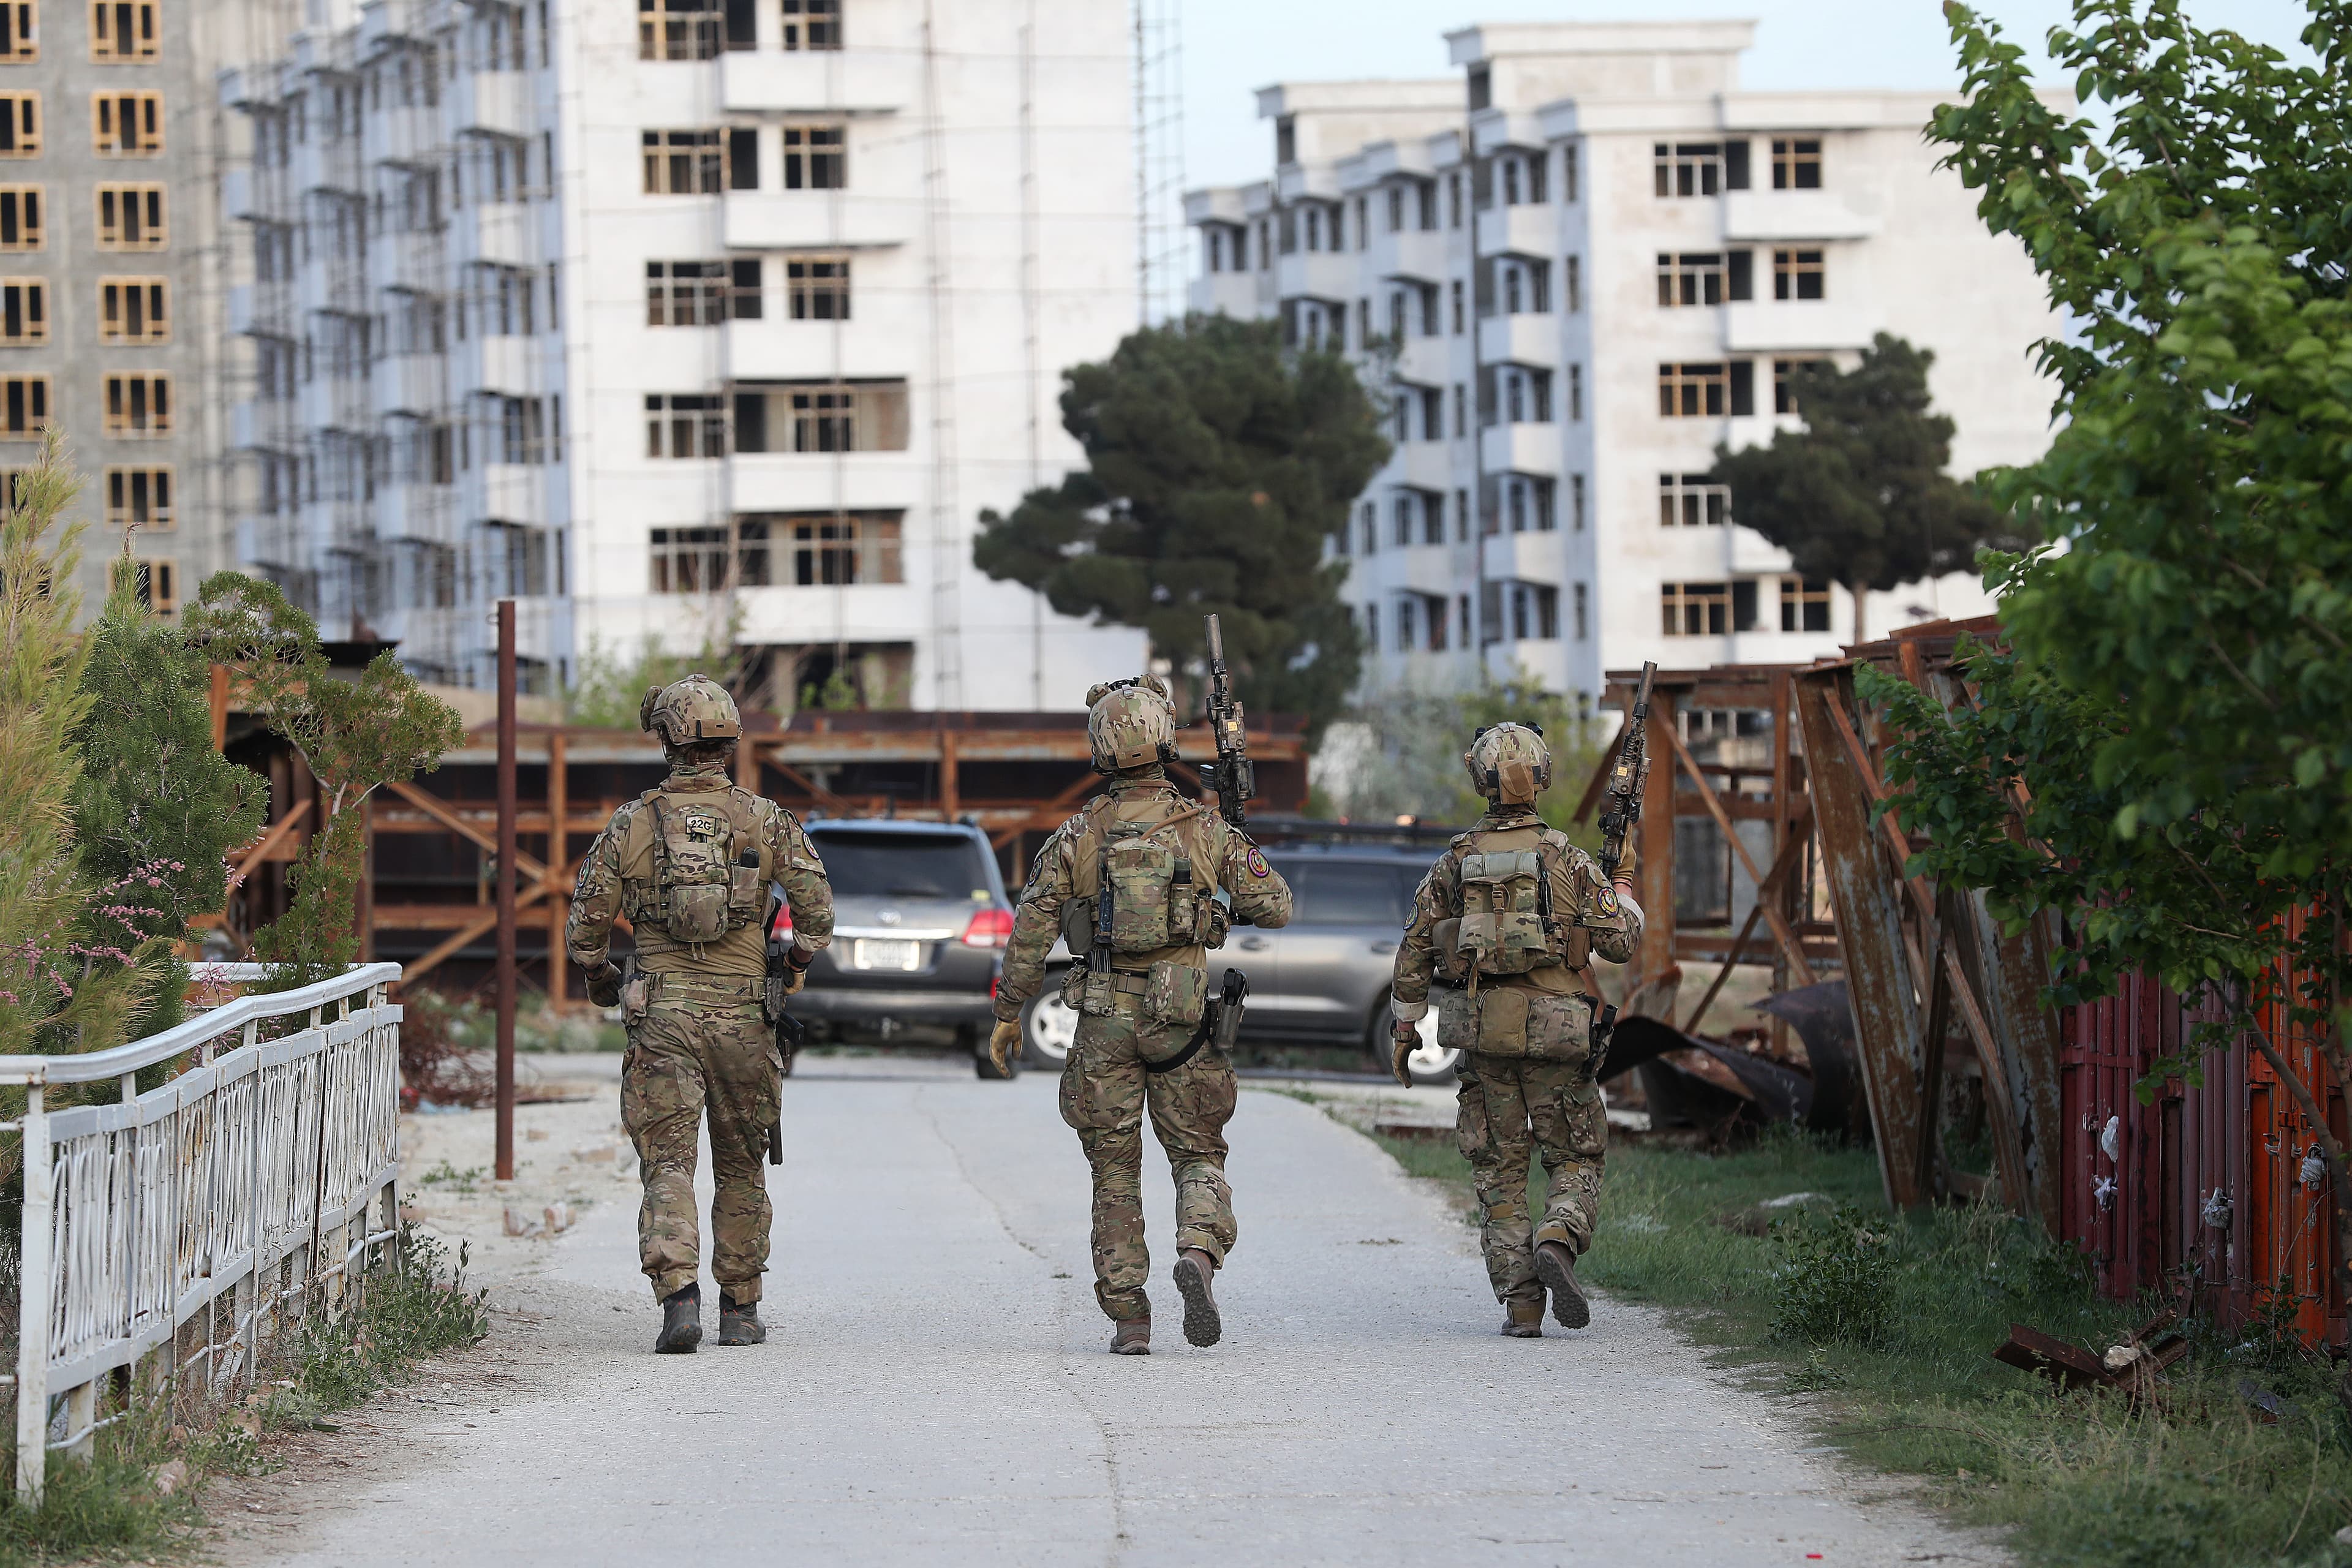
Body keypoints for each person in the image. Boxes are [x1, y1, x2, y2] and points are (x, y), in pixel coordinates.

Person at [987, 676, 1293, 1354]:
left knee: (1114, 1173)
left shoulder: (1077, 835)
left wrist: (1010, 1012)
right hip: (1182, 1018)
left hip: (1103, 1019)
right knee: (1198, 1154)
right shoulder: (1205, 828)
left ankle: (1130, 1316)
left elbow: (1031, 931)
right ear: (1165, 739)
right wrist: (1226, 866)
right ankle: (1199, 1254)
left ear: (1100, 747)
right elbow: (1278, 905)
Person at [565, 674, 834, 1354]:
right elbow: (819, 910)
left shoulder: (633, 823)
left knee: (669, 1165)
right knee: (743, 1165)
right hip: (746, 1017)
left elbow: (586, 928)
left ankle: (678, 1296)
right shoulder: (765, 818)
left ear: (666, 741)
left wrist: (602, 978)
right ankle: (740, 1309)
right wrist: (793, 966)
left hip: (662, 1019)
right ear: (728, 740)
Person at [1387, 722, 1642, 1337]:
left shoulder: (1454, 862)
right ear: (1544, 776)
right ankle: (1558, 1236)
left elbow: (1415, 945)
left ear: (1480, 780)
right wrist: (1624, 884)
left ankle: (1522, 1305)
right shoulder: (1569, 859)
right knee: (1577, 1153)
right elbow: (1621, 943)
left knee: (1498, 1170)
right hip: (1557, 1036)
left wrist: (1405, 1028)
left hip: (1484, 1036)